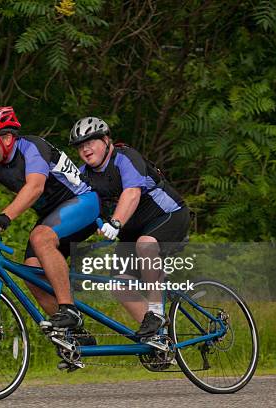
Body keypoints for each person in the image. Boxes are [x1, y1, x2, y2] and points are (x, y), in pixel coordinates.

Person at [0, 106, 100, 331]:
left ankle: (69, 310)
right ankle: (74, 336)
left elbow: (35, 186)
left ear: (6, 138)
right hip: (53, 214)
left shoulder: (32, 147)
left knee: (41, 237)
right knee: (31, 270)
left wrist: (6, 215)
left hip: (84, 203)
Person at [70, 117, 190, 337]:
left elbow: (132, 193)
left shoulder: (125, 157)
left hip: (168, 215)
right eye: (80, 146)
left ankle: (156, 312)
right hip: (133, 230)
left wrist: (115, 222)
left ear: (106, 140)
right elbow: (78, 207)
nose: (85, 149)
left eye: (90, 142)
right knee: (119, 285)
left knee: (146, 245)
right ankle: (157, 338)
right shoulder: (84, 174)